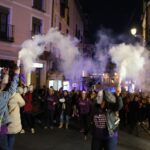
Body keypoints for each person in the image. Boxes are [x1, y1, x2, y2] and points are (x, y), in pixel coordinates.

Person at [91, 85, 123, 150]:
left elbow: (119, 105)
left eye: (103, 101)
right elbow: (91, 118)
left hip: (110, 136)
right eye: (100, 100)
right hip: (97, 136)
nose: (102, 103)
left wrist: (118, 94)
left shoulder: (111, 107)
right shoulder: (95, 107)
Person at [0, 67, 20, 150]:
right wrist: (16, 75)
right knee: (4, 146)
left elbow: (3, 85)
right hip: (1, 125)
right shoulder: (2, 96)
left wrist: (6, 74)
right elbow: (12, 89)